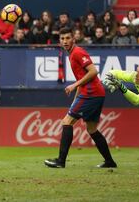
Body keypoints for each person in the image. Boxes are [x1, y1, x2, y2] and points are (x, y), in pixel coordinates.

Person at [44, 28, 117, 168]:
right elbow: (82, 79)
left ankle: (60, 161)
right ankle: (110, 161)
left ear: (73, 39)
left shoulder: (77, 52)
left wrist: (74, 85)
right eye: (62, 39)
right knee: (92, 129)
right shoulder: (72, 54)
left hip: (91, 93)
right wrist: (74, 100)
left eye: (67, 38)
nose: (65, 41)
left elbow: (93, 71)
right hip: (94, 93)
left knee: (67, 122)